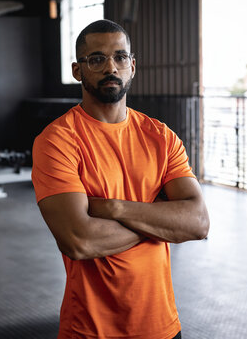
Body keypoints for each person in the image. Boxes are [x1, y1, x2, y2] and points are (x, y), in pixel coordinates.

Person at [31, 19, 210, 339]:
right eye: (96, 59)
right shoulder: (57, 140)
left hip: (162, 327)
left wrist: (113, 208)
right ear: (77, 70)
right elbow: (80, 241)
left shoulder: (161, 137)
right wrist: (160, 219)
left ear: (132, 66)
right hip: (90, 330)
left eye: (120, 57)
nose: (110, 67)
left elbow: (197, 223)